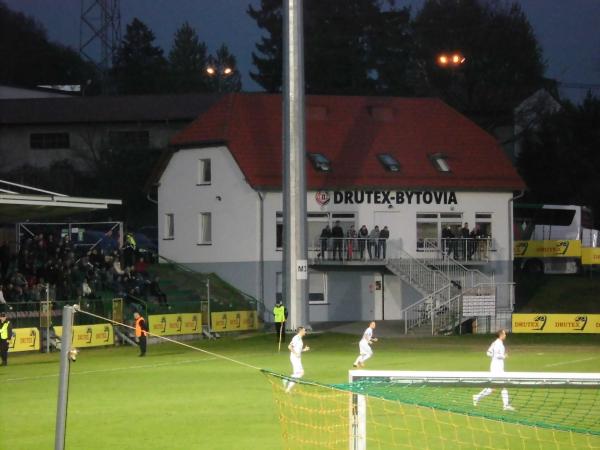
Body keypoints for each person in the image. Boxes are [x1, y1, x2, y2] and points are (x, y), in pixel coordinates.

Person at [472, 329, 515, 411]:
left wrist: (497, 356)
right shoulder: (498, 344)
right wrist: (504, 356)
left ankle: (477, 397)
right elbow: (496, 355)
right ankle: (505, 405)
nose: (505, 335)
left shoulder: (495, 343)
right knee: (502, 385)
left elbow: (488, 353)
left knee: (494, 387)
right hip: (497, 367)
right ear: (501, 335)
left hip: (496, 366)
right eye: (504, 334)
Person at [285, 326, 310, 393]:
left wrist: (304, 349)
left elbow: (297, 349)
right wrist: (295, 354)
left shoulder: (300, 339)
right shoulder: (296, 338)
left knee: (298, 373)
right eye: (304, 330)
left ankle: (287, 384)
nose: (305, 332)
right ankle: (287, 387)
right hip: (294, 358)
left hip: (297, 358)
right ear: (300, 331)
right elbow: (289, 347)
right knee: (300, 373)